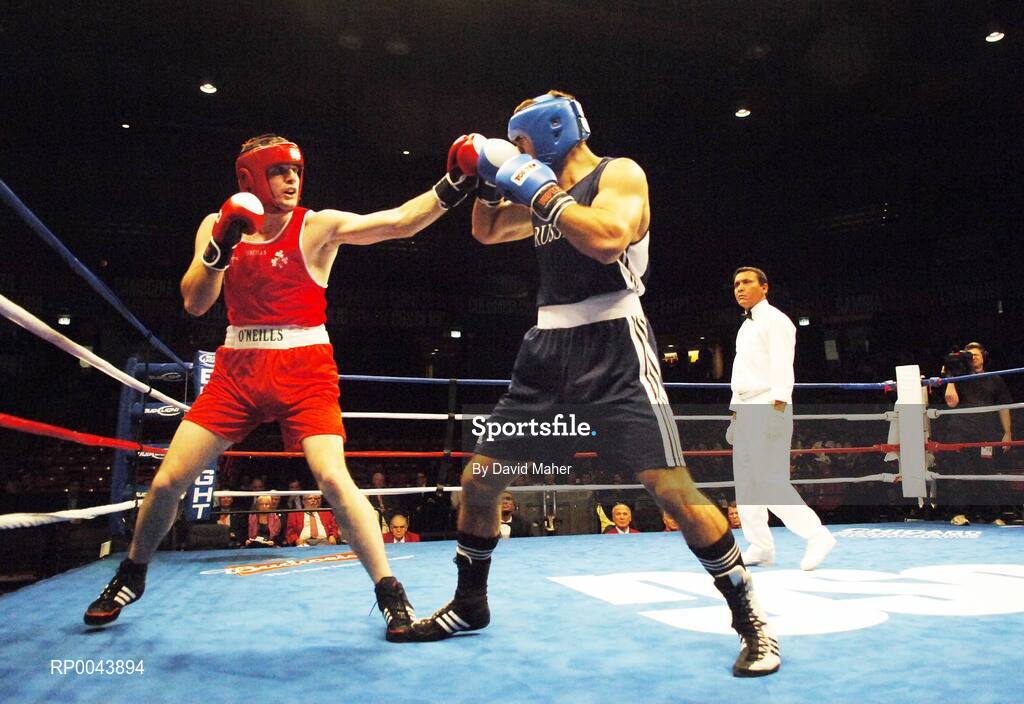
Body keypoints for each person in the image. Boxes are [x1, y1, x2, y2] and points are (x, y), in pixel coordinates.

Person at [408, 92, 780, 676]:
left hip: (615, 347)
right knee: (480, 480)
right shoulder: (541, 192)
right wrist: (483, 173)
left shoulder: (619, 174)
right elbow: (485, 230)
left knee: (672, 491)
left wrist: (533, 184)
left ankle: (751, 620)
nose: (521, 156)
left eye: (524, 144)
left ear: (551, 132)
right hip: (545, 350)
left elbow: (607, 238)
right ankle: (470, 602)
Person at [83, 133, 479, 641]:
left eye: (296, 170)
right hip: (237, 369)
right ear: (250, 177)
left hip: (304, 368)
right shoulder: (217, 224)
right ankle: (131, 575)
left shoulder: (316, 227)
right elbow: (194, 303)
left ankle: (390, 593)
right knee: (165, 482)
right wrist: (219, 247)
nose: (292, 179)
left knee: (334, 480)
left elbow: (400, 221)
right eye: (279, 171)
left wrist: (457, 182)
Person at [726, 267, 835, 571]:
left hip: (768, 404)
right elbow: (741, 376)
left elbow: (782, 370)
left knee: (769, 481)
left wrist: (776, 411)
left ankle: (816, 535)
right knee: (746, 483)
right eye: (736, 284)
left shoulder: (776, 321)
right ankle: (760, 546)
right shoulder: (745, 327)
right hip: (746, 407)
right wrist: (735, 416)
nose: (740, 288)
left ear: (764, 287)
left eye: (746, 282)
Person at [940, 342, 1013, 524]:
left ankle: (993, 515)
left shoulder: (994, 379)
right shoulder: (959, 377)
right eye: (969, 356)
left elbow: (1004, 407)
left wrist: (1007, 432)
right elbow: (951, 402)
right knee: (959, 473)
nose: (973, 358)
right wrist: (951, 375)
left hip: (985, 432)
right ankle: (958, 514)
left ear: (984, 358)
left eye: (976, 355)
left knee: (987, 473)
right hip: (960, 431)